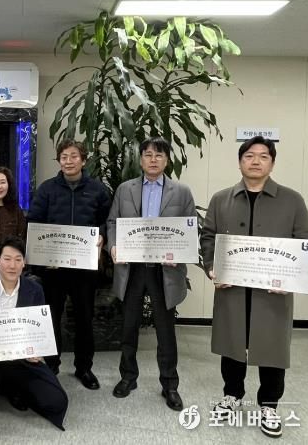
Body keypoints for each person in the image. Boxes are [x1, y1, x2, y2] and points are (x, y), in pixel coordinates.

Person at [200, 136, 308, 439]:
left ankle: (269, 405)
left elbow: (307, 242)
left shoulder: (292, 200)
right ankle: (232, 395)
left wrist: (291, 278)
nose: (255, 161)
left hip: (272, 293)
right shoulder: (221, 199)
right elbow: (208, 237)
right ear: (240, 162)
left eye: (263, 156)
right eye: (249, 155)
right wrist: (212, 267)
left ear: (272, 164)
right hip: (233, 289)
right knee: (232, 343)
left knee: (272, 348)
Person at [106, 136, 196, 411]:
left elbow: (190, 228)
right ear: (140, 159)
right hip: (132, 269)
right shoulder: (125, 189)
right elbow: (112, 222)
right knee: (129, 326)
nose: (153, 159)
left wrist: (180, 253)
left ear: (167, 160)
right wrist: (113, 246)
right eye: (148, 154)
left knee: (165, 331)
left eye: (159, 155)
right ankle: (128, 377)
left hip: (164, 271)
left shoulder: (181, 192)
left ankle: (170, 384)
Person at [27, 138, 111, 389]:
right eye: (64, 157)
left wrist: (103, 235)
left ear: (83, 160)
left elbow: (107, 221)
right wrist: (41, 256)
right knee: (52, 318)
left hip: (85, 269)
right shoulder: (47, 189)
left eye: (74, 156)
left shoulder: (98, 190)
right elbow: (34, 222)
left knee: (85, 318)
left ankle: (84, 368)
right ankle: (51, 365)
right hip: (53, 269)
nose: (68, 161)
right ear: (59, 161)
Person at [0, 236, 68, 429]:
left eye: (18, 259)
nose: (12, 265)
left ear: (24, 263)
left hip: (23, 360)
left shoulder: (35, 290)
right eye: (7, 259)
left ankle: (13, 387)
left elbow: (41, 325)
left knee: (56, 401)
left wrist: (38, 349)